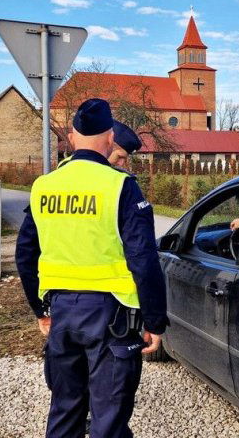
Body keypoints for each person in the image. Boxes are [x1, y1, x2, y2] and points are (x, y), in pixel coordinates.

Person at [15, 98, 167, 438]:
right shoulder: (120, 186)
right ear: (110, 138)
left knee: (65, 410)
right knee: (108, 419)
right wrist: (155, 320)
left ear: (71, 138)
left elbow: (25, 255)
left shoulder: (44, 186)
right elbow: (143, 260)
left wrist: (40, 310)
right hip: (111, 317)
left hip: (62, 313)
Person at [57, 119, 142, 169]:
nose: (121, 163)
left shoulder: (65, 167)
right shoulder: (114, 182)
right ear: (108, 145)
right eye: (119, 157)